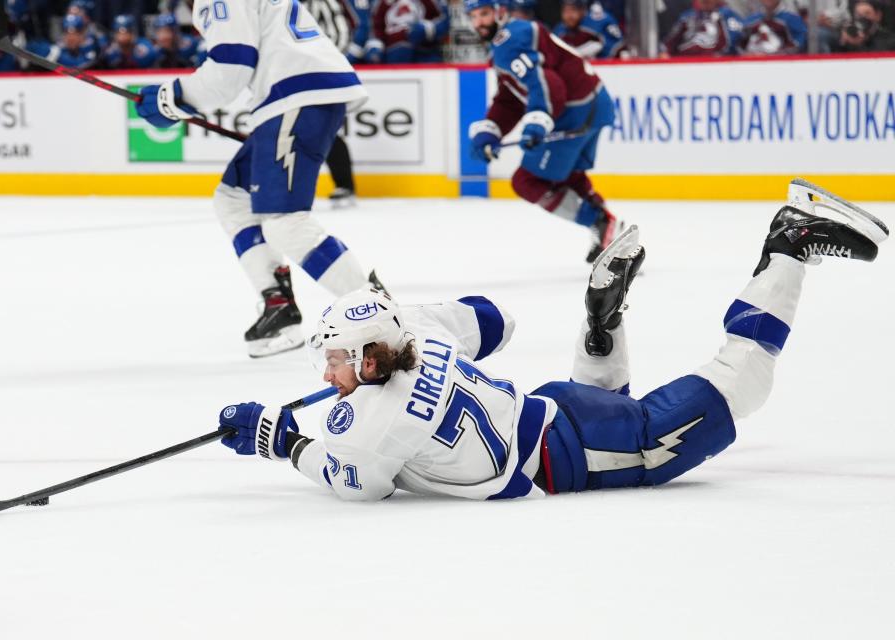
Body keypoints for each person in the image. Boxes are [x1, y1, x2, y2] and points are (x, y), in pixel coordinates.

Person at [215, 179, 889, 500]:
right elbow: (492, 320)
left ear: (366, 357)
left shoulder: (371, 421)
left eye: (336, 360)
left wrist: (281, 437)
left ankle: (790, 245)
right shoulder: (412, 330)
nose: (329, 372)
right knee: (612, 407)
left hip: (558, 453)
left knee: (744, 378)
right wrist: (415, 331)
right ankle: (601, 325)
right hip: (555, 410)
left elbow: (356, 483)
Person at [133, 0, 385, 358]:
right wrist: (174, 99)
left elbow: (230, 68)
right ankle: (278, 304)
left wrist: (170, 98)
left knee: (285, 223)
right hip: (298, 91)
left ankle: (380, 317)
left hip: (297, 93)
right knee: (233, 198)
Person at [466, 0, 621, 263]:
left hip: (575, 111)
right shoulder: (513, 36)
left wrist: (539, 119)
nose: (479, 22)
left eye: (484, 14)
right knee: (566, 175)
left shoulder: (508, 40)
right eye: (474, 16)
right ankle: (609, 231)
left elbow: (547, 83)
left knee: (527, 181)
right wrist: (491, 130)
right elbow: (511, 97)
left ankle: (598, 221)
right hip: (592, 103)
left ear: (500, 12)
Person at [302, 0, 364, 207]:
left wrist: (323, 64)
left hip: (321, 73)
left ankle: (345, 185)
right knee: (298, 129)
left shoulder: (322, 2)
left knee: (324, 129)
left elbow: (341, 34)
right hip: (293, 75)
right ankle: (290, 187)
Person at [365, 0, 450, 62]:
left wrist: (429, 29)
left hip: (423, 52)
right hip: (393, 55)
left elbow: (444, 20)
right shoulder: (381, 3)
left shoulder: (431, 2)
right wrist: (375, 46)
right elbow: (376, 27)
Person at [662, 0, 744, 57]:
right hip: (686, 62)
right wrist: (665, 53)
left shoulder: (726, 14)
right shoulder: (687, 16)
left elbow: (733, 42)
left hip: (717, 63)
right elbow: (670, 42)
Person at [553, 0, 626, 59]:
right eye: (565, 11)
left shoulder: (594, 22)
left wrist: (574, 54)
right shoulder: (560, 29)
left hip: (612, 67)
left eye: (573, 10)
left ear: (583, 10)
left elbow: (599, 45)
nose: (569, 15)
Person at [26, 13, 101, 69]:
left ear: (82, 34)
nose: (70, 38)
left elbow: (79, 65)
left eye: (75, 33)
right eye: (67, 33)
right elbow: (31, 47)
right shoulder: (60, 47)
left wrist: (58, 57)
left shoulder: (92, 46)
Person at [739, 0, 807, 55]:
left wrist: (770, 56)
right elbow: (740, 47)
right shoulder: (750, 21)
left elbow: (798, 46)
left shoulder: (793, 19)